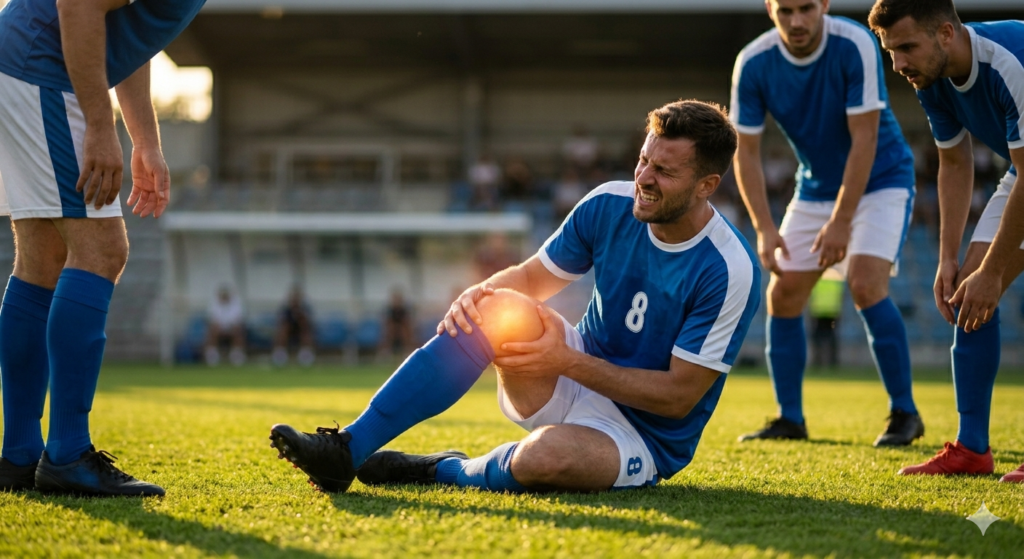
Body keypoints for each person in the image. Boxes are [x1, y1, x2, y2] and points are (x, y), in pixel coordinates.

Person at [267, 100, 761, 494]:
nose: (644, 179)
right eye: (643, 160)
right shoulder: (609, 202)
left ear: (707, 186)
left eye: (665, 172)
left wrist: (567, 361)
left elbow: (677, 398)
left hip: (643, 435)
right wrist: (476, 295)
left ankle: (444, 470)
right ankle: (347, 451)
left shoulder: (730, 268)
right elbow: (529, 280)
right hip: (570, 372)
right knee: (497, 304)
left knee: (545, 460)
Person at [0, 0, 205, 496]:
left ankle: (18, 455)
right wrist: (98, 124)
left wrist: (145, 140)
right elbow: (81, 3)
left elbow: (122, 33)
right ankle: (68, 454)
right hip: (44, 70)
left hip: (29, 67)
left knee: (42, 261)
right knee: (102, 251)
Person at [731, 0, 924, 446]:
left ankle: (905, 413)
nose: (796, 21)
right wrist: (764, 226)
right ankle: (790, 419)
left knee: (864, 284)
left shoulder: (854, 42)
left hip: (882, 178)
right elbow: (746, 152)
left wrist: (842, 221)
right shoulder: (754, 62)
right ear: (770, 9)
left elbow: (866, 137)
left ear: (824, 5)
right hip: (815, 187)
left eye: (805, 9)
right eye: (785, 11)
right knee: (783, 292)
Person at [869, 0, 1024, 482]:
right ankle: (972, 450)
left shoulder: (1008, 58)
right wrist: (947, 259)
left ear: (946, 33)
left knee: (986, 279)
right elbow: (954, 164)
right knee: (970, 298)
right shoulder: (930, 77)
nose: (899, 64)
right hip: (1021, 169)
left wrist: (994, 271)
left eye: (907, 47)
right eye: (891, 51)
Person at [272, 286, 315, 367]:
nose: (295, 300)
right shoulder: (286, 310)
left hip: (301, 331)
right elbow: (281, 322)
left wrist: (300, 318)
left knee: (305, 332)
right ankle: (280, 355)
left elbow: (308, 324)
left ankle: (305, 356)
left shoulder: (305, 309)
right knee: (283, 330)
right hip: (289, 332)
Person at [205, 285, 247, 367]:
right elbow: (213, 320)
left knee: (237, 330)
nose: (224, 297)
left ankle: (236, 355)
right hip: (219, 329)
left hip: (232, 329)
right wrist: (219, 327)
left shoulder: (236, 303)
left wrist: (231, 327)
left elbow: (238, 320)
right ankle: (212, 356)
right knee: (213, 330)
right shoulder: (214, 304)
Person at [379, 288, 413, 359]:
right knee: (390, 330)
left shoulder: (403, 309)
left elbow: (406, 321)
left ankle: (407, 350)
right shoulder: (390, 309)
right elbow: (388, 321)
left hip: (402, 328)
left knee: (405, 331)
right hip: (392, 329)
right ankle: (386, 351)